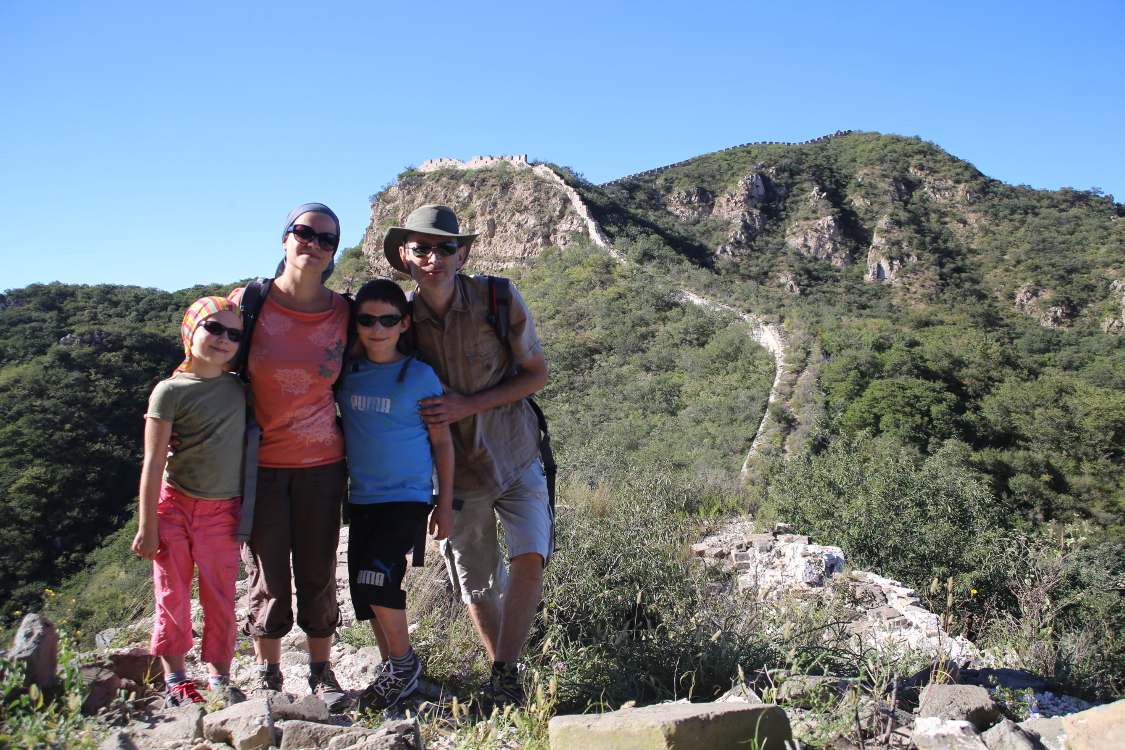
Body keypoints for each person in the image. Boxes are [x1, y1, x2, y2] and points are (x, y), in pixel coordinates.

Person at [382, 204, 551, 705]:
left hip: (517, 454)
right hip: (455, 474)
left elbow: (536, 373)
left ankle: (504, 672)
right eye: (422, 248)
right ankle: (504, 679)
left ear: (461, 255)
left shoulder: (496, 299)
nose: (434, 257)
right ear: (404, 257)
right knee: (475, 582)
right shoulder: (399, 321)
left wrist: (467, 404)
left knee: (529, 557)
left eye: (445, 247)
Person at [230, 203, 351, 711]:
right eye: (305, 233)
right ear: (285, 239)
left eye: (326, 239)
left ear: (333, 253)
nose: (314, 244)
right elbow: (205, 363)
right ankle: (270, 674)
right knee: (269, 576)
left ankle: (322, 672)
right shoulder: (249, 302)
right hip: (260, 467)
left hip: (324, 464)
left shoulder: (344, 311)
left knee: (319, 571)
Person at [335, 279, 455, 711]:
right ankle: (392, 672)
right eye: (367, 320)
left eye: (388, 320)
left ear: (404, 324)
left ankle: (404, 665)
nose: (377, 328)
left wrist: (443, 502)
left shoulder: (420, 376)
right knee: (364, 592)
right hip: (362, 497)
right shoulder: (346, 373)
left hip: (408, 496)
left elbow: (442, 442)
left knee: (376, 577)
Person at [133, 296, 246, 706]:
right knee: (172, 595)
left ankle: (220, 677)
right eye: (214, 328)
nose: (224, 339)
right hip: (174, 507)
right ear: (190, 331)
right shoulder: (169, 391)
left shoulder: (241, 386)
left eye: (234, 333)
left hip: (223, 511)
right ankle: (176, 677)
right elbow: (153, 460)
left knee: (220, 597)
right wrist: (147, 526)